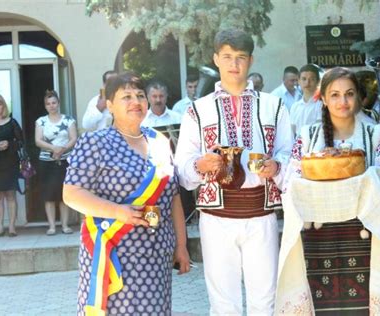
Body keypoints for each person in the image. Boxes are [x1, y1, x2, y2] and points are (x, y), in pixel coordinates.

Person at [175, 29, 293, 315]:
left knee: (265, 300)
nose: (234, 64)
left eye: (240, 57)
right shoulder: (197, 111)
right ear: (216, 59)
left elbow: (290, 155)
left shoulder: (274, 106)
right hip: (216, 217)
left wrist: (276, 167)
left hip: (261, 215)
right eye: (227, 56)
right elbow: (181, 167)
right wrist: (200, 165)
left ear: (251, 60)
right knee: (222, 302)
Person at [276, 67, 380, 315]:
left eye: (349, 94)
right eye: (335, 95)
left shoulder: (374, 134)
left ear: (358, 96)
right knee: (324, 308)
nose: (343, 101)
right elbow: (289, 184)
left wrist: (371, 182)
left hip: (364, 236)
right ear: (323, 99)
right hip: (318, 239)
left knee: (362, 308)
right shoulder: (308, 136)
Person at [62, 72, 190, 315]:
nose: (136, 101)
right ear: (109, 105)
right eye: (126, 96)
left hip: (157, 253)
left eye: (140, 95)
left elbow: (173, 197)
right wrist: (118, 211)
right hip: (115, 252)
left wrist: (181, 246)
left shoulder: (160, 142)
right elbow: (72, 193)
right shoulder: (95, 142)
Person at [35, 90, 77, 235]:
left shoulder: (68, 120)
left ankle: (65, 225)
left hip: (66, 161)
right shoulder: (41, 121)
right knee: (49, 194)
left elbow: (74, 138)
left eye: (54, 103)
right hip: (47, 162)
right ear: (45, 106)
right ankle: (52, 226)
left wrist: (62, 149)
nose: (51, 106)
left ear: (58, 103)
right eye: (48, 103)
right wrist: (53, 148)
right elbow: (38, 140)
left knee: (64, 195)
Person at [0, 94, 22, 237]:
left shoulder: (12, 122)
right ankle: (0, 226)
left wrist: (9, 144)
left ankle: (12, 226)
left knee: (11, 195)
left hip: (10, 163)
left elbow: (21, 142)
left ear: (3, 106)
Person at [290, 64, 322, 135]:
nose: (307, 83)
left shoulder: (321, 105)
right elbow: (292, 132)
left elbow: (319, 130)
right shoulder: (295, 106)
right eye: (304, 79)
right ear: (298, 81)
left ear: (318, 81)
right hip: (297, 144)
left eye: (312, 79)